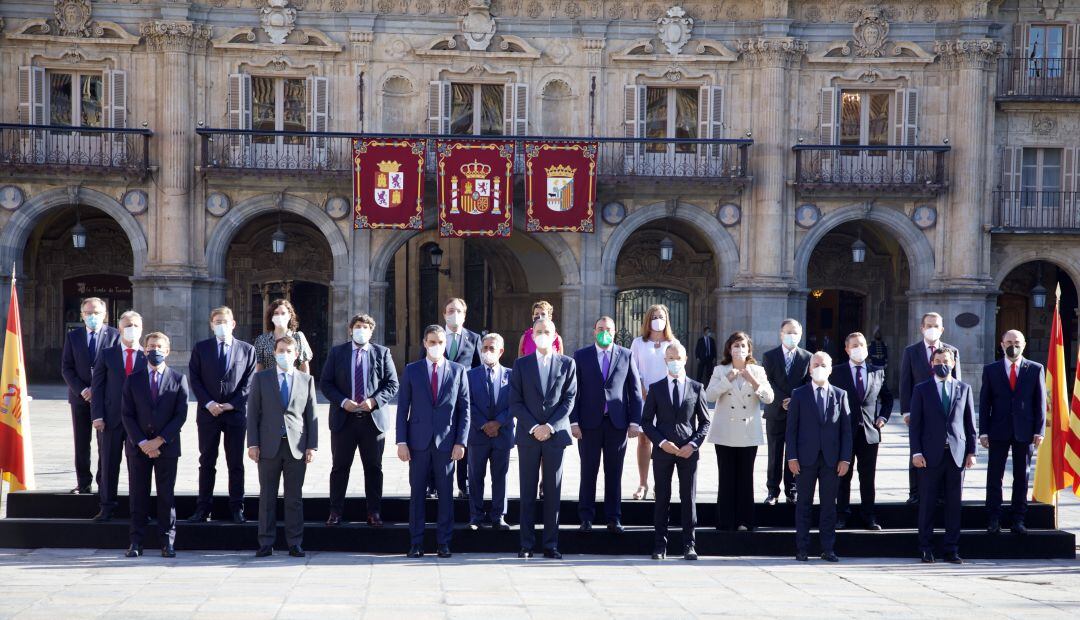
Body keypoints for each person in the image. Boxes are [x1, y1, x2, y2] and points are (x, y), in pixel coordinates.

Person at [397, 325, 470, 558]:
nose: (436, 346)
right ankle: (416, 542)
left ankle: (443, 542)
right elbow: (402, 409)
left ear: (445, 344)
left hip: (446, 443)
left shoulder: (458, 371)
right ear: (424, 343)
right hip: (418, 443)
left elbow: (464, 409)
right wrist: (401, 441)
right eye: (431, 342)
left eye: (440, 342)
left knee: (446, 495)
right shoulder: (412, 370)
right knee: (417, 494)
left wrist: (461, 442)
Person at [321, 314, 399, 527]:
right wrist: (343, 401)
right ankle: (335, 512)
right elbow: (326, 383)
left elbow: (392, 384)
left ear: (371, 331)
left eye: (365, 327)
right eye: (357, 326)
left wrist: (375, 401)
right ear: (350, 329)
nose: (361, 330)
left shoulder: (382, 354)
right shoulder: (337, 353)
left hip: (372, 422)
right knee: (339, 468)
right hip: (343, 420)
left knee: (373, 468)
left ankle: (374, 512)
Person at [510, 317, 577, 559]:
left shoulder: (568, 364)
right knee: (527, 491)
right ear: (532, 335)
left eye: (546, 331)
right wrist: (534, 427)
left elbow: (569, 400)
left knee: (552, 491)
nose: (542, 334)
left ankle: (550, 544)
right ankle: (526, 544)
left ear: (555, 335)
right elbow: (515, 402)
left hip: (555, 435)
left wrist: (549, 426)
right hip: (528, 436)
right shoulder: (521, 364)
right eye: (538, 331)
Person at [570, 316, 643, 533]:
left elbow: (635, 391)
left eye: (608, 329)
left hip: (617, 423)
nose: (604, 332)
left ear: (614, 331)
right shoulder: (581, 356)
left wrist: (635, 422)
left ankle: (614, 517)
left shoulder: (626, 355)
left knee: (614, 472)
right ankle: (586, 517)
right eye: (600, 328)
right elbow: (574, 392)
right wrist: (573, 421)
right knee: (588, 471)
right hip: (588, 424)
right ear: (594, 331)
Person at [248, 336, 318, 558]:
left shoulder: (306, 380)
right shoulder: (261, 379)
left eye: (289, 351)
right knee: (267, 496)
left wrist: (312, 446)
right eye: (281, 350)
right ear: (274, 352)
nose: (284, 354)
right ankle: (266, 542)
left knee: (293, 498)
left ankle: (294, 542)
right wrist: (253, 443)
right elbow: (253, 414)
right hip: (268, 446)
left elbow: (311, 415)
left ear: (296, 354)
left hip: (296, 447)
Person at [121, 332, 189, 558]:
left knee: (166, 496)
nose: (155, 351)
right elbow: (127, 414)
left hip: (166, 448)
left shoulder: (179, 379)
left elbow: (180, 415)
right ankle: (136, 542)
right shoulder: (133, 379)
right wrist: (142, 443)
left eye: (159, 347)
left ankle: (167, 542)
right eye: (151, 347)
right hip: (138, 448)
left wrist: (158, 441)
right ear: (145, 350)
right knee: (137, 495)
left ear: (167, 351)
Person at [187, 307, 257, 524]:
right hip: (208, 414)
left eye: (225, 321)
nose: (221, 325)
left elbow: (249, 382)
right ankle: (203, 508)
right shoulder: (201, 348)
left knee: (235, 462)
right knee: (207, 461)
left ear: (233, 323)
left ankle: (237, 508)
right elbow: (195, 379)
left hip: (234, 414)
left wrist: (230, 404)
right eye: (217, 321)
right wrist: (209, 403)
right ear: (211, 324)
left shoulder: (247, 350)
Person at [643, 343, 710, 561]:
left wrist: (693, 445)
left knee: (688, 497)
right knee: (662, 497)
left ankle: (689, 544)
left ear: (685, 358)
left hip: (688, 451)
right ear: (665, 360)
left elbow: (704, 422)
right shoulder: (656, 388)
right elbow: (646, 422)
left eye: (678, 357)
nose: (674, 361)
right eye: (670, 357)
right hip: (663, 451)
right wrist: (661, 442)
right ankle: (659, 545)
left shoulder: (696, 387)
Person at [910, 347, 976, 564]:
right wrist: (916, 452)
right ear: (931, 363)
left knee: (954, 504)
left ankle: (951, 548)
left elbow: (969, 423)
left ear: (953, 363)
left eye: (945, 360)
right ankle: (925, 547)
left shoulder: (963, 388)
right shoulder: (921, 389)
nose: (942, 364)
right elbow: (916, 425)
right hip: (930, 456)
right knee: (927, 502)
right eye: (937, 360)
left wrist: (972, 452)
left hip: (956, 455)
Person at [786, 352, 852, 563]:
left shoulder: (840, 395)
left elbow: (846, 431)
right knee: (803, 504)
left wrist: (845, 459)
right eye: (816, 364)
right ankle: (802, 548)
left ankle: (828, 549)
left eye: (823, 364)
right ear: (809, 368)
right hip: (805, 459)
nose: (819, 367)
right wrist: (792, 457)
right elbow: (791, 430)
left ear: (830, 369)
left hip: (831, 460)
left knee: (828, 506)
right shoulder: (799, 394)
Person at [705, 331, 773, 532]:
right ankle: (725, 521)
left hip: (747, 433)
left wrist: (753, 380)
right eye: (736, 346)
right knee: (726, 477)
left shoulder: (758, 371)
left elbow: (769, 398)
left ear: (749, 349)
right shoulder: (720, 370)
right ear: (729, 348)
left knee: (745, 477)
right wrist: (727, 379)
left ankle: (746, 520)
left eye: (743, 346)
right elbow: (709, 395)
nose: (739, 349)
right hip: (725, 432)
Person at [980, 330, 1046, 535]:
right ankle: (993, 518)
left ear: (1024, 344)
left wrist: (1039, 430)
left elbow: (1041, 403)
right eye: (1009, 342)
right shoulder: (991, 370)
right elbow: (984, 403)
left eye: (1017, 342)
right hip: (998, 430)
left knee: (1021, 476)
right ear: (1001, 344)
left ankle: (1018, 518)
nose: (1013, 345)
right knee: (994, 476)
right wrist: (983, 431)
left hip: (1024, 431)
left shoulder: (1035, 369)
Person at [418, 298, 481, 499]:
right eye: (451, 310)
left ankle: (464, 484)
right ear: (444, 314)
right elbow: (422, 366)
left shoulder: (474, 338)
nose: (455, 314)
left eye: (459, 311)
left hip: (463, 400)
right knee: (434, 444)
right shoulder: (434, 336)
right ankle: (433, 485)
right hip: (436, 400)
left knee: (462, 442)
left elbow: (478, 369)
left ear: (465, 314)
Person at [831, 332, 894, 530]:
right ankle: (842, 514)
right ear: (847, 349)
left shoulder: (877, 371)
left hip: (869, 433)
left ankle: (869, 515)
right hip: (844, 432)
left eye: (862, 345)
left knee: (867, 477)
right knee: (843, 476)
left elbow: (888, 398)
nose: (859, 348)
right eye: (855, 345)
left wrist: (882, 417)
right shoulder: (836, 372)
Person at [89, 310, 146, 522]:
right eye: (127, 325)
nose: (132, 329)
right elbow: (98, 387)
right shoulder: (107, 354)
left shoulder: (147, 355)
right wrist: (97, 415)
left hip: (139, 423)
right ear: (120, 328)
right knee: (108, 465)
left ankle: (138, 509)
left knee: (138, 468)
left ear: (141, 329)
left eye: (136, 326)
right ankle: (106, 507)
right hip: (110, 420)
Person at [899, 312, 961, 504]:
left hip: (943, 409)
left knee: (943, 450)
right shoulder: (911, 351)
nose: (932, 328)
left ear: (942, 329)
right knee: (916, 449)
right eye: (928, 325)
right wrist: (906, 410)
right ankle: (915, 492)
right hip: (920, 409)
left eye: (936, 325)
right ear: (922, 328)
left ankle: (941, 492)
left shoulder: (952, 351)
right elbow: (905, 382)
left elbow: (958, 384)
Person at [61, 297, 119, 494]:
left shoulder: (114, 335)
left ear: (105, 315)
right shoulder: (73, 336)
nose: (92, 316)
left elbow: (117, 368)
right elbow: (67, 368)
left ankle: (104, 482)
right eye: (88, 313)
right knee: (81, 441)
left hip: (104, 399)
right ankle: (83, 482)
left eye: (96, 313)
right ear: (82, 315)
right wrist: (82, 389)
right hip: (80, 398)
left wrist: (98, 390)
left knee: (105, 442)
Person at [629, 304, 679, 500]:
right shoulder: (638, 343)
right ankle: (643, 483)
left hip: (665, 397)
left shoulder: (672, 343)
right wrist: (641, 388)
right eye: (654, 317)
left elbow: (677, 369)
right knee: (644, 439)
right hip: (644, 396)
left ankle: (661, 484)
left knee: (663, 440)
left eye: (661, 316)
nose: (658, 320)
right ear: (648, 320)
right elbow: (633, 368)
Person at [466, 333, 514, 530]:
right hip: (478, 434)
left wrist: (499, 423)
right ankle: (475, 516)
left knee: (500, 476)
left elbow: (516, 403)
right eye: (484, 348)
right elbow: (466, 403)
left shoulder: (512, 375)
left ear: (500, 351)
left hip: (502, 434)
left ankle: (498, 515)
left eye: (491, 348)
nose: (487, 352)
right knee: (475, 476)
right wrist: (484, 424)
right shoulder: (469, 375)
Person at [761, 319, 811, 504]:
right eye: (788, 332)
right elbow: (767, 381)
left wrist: (795, 400)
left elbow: (808, 383)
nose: (792, 336)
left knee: (794, 453)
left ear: (801, 335)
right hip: (775, 412)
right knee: (774, 453)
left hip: (798, 413)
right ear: (781, 334)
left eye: (795, 333)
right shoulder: (770, 356)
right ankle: (772, 491)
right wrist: (782, 400)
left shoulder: (807, 357)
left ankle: (792, 490)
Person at [253, 299, 314, 373]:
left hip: (293, 382)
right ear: (271, 317)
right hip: (269, 382)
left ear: (289, 316)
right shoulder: (262, 340)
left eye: (283, 313)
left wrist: (305, 383)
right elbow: (259, 368)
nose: (279, 316)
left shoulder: (298, 337)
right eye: (276, 313)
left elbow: (304, 366)